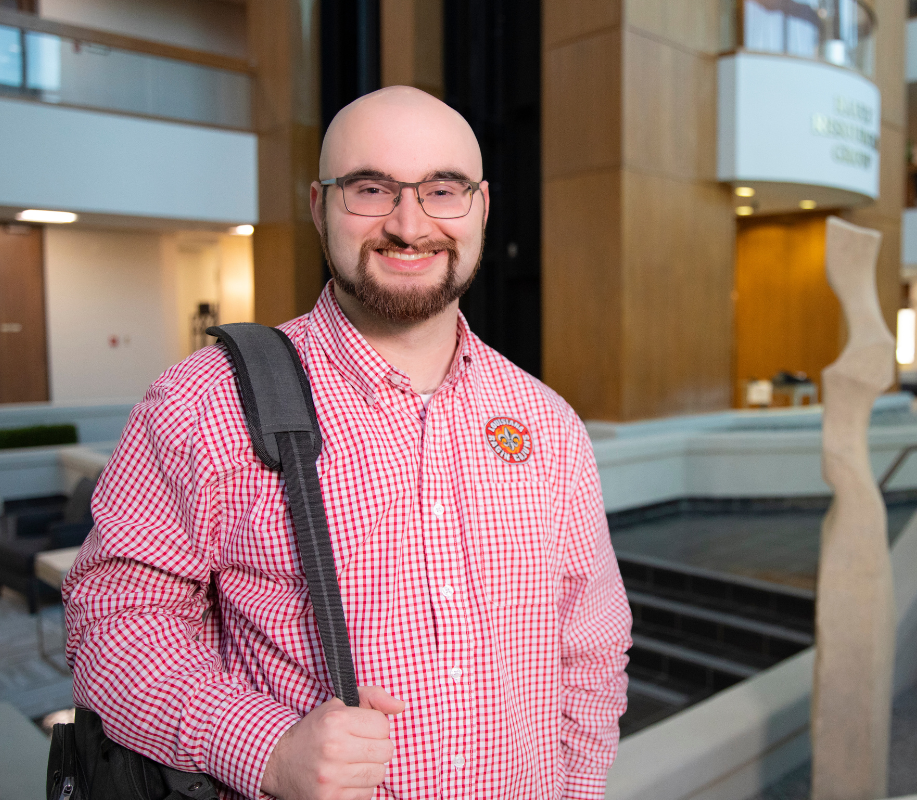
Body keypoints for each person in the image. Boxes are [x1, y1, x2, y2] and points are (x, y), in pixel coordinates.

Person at [62, 86, 632, 800]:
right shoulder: (205, 402)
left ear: (481, 207)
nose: (408, 223)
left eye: (442, 189)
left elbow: (590, 650)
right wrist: (264, 749)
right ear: (318, 205)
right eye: (370, 188)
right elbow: (114, 623)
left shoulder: (547, 424)